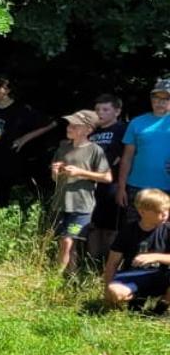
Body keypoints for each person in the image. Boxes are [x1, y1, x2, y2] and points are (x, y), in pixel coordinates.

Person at [0, 74, 58, 211]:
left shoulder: (21, 109)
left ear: (7, 90)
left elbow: (51, 123)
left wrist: (25, 138)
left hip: (16, 161)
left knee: (18, 200)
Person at [50, 110, 113, 274]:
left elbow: (107, 177)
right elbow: (54, 178)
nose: (69, 128)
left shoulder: (95, 150)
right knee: (66, 243)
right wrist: (55, 172)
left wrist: (81, 173)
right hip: (60, 203)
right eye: (69, 124)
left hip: (82, 205)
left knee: (67, 240)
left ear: (88, 130)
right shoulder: (63, 147)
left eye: (75, 126)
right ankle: (70, 277)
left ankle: (55, 278)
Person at [102, 188, 170, 312]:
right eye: (160, 211)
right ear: (142, 212)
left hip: (161, 276)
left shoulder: (167, 230)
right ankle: (137, 298)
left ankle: (162, 305)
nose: (165, 214)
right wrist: (107, 289)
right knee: (114, 291)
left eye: (167, 210)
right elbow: (112, 263)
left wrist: (155, 257)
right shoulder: (128, 231)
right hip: (134, 276)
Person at [116, 79, 170, 222]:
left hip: (167, 187)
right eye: (157, 97)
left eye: (166, 98)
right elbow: (127, 157)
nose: (160, 102)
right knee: (134, 230)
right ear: (151, 99)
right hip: (137, 187)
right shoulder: (136, 122)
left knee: (164, 235)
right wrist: (121, 187)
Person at [86, 94, 128, 267]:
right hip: (90, 185)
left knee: (111, 228)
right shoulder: (92, 131)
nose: (99, 113)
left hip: (113, 185)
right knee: (93, 226)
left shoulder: (122, 129)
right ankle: (91, 264)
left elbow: (119, 158)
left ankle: (108, 266)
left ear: (117, 111)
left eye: (105, 109)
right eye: (97, 110)